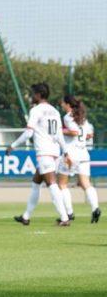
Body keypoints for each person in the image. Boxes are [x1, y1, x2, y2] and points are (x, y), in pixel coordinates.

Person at [9, 83, 70, 227]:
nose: (31, 96)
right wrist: (65, 151)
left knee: (51, 183)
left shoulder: (36, 110)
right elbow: (59, 134)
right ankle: (26, 216)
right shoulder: (54, 111)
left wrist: (13, 145)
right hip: (55, 152)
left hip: (44, 152)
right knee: (36, 182)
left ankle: (64, 217)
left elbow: (28, 133)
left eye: (32, 94)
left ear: (38, 95)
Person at [57, 95, 100, 224]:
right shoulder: (82, 117)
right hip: (84, 154)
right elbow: (89, 135)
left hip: (71, 154)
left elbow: (74, 132)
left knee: (62, 184)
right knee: (86, 184)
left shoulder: (67, 117)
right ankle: (95, 208)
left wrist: (60, 131)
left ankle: (69, 213)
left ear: (67, 104)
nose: (62, 105)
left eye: (63, 103)